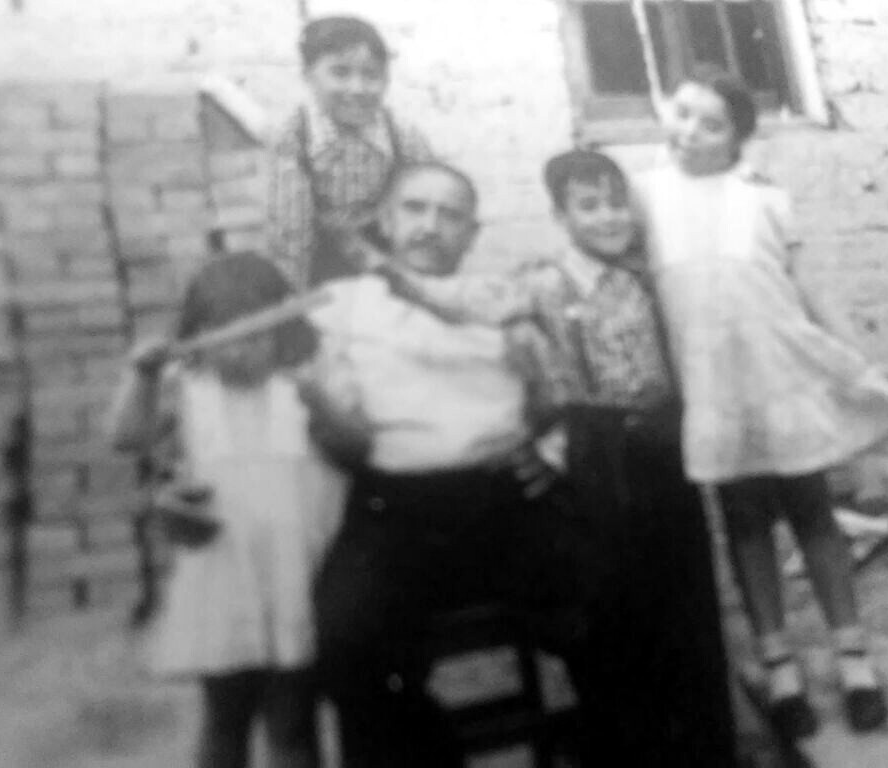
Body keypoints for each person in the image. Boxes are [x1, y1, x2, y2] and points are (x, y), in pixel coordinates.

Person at [378, 149, 738, 765]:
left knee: (685, 609)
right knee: (615, 620)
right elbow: (504, 351)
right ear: (561, 217)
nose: (608, 218)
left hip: (663, 457)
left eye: (617, 204)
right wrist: (541, 447)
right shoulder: (543, 283)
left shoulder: (646, 277)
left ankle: (702, 751)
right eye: (588, 206)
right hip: (595, 466)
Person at [635, 66, 888, 736]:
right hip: (714, 390)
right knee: (744, 521)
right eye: (683, 113)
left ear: (737, 137)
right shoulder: (645, 196)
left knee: (811, 511)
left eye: (712, 125)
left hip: (781, 377)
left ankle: (853, 658)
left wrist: (859, 357)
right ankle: (779, 664)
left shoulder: (763, 197)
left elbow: (808, 288)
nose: (691, 132)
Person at [302, 161, 594, 768]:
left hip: (507, 499)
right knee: (341, 642)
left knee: (613, 601)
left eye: (450, 215)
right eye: (414, 209)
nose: (430, 226)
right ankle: (432, 753)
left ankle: (603, 746)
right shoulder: (339, 307)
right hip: (395, 510)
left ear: (472, 234)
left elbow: (567, 388)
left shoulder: (501, 298)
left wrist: (554, 452)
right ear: (386, 221)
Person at [107, 253, 346, 768]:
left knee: (293, 723)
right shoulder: (189, 389)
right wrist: (142, 376)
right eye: (224, 338)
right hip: (223, 582)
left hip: (295, 580)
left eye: (256, 336)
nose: (240, 352)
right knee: (225, 720)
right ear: (198, 336)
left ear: (283, 331)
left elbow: (350, 448)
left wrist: (319, 399)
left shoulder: (303, 384)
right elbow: (127, 438)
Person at [266, 14, 433, 289]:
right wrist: (297, 299)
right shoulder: (294, 139)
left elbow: (429, 212)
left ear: (386, 79)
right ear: (308, 76)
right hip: (320, 263)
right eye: (340, 73)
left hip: (389, 257)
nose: (357, 89)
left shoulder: (401, 135)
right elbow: (290, 237)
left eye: (371, 75)